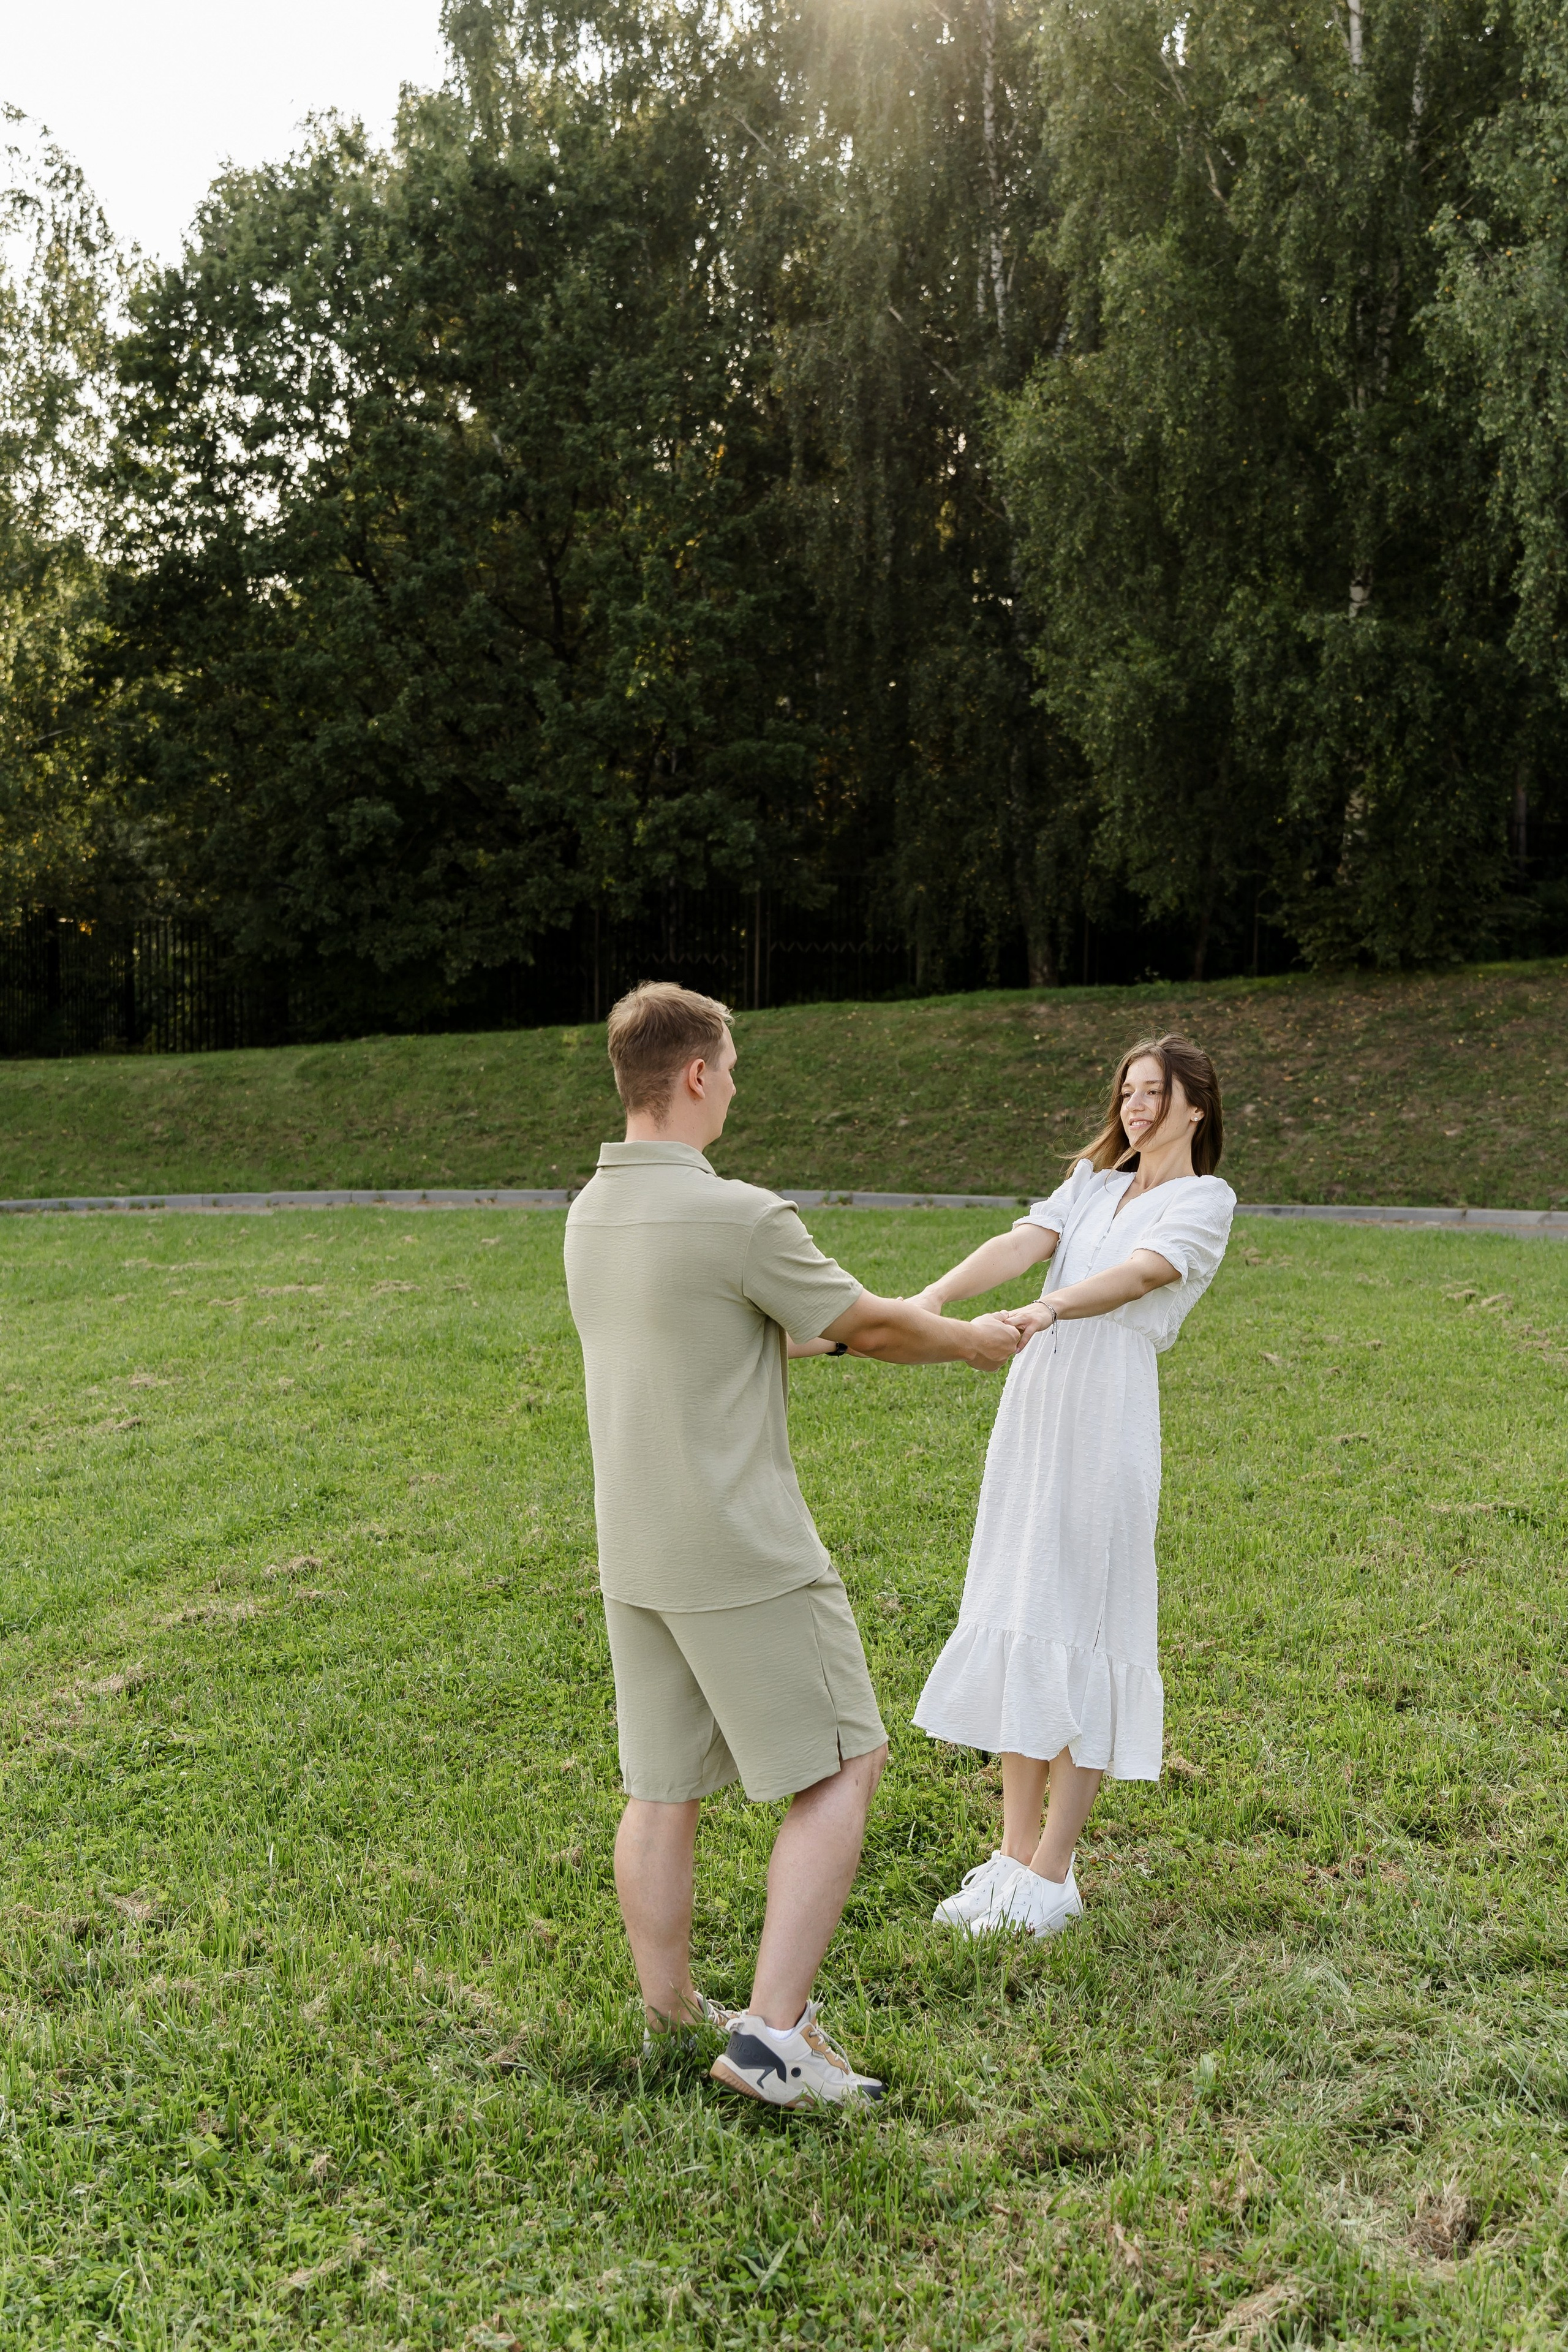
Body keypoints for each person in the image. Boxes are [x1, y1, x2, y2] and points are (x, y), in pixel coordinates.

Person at [564, 981, 1020, 2109]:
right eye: (734, 1069)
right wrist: (969, 1340)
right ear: (698, 1076)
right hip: (744, 1551)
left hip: (638, 1552)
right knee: (843, 1763)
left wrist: (860, 1330)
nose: (736, 1090)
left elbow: (739, 1336)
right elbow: (860, 1321)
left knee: (661, 1786)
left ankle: (670, 2009)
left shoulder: (590, 1212)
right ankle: (774, 2043)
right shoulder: (740, 1215)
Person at [908, 1033, 1235, 1939]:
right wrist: (930, 1300)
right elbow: (1023, 1242)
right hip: (1038, 1401)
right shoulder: (1090, 1184)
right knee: (1024, 1607)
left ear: (1196, 1105)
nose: (1135, 1106)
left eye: (1154, 1092)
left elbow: (1139, 1276)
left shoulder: (1206, 1200)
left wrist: (1051, 1305)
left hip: (1108, 1404)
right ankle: (1013, 1858)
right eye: (1127, 1091)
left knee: (1086, 1621)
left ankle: (1055, 1873)